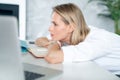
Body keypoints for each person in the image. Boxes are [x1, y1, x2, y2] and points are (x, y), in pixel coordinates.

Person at [35, 3, 120, 75]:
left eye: (55, 24)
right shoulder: (68, 33)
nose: (50, 28)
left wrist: (54, 43)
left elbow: (52, 57)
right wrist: (53, 42)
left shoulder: (98, 41)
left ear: (71, 27)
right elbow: (40, 40)